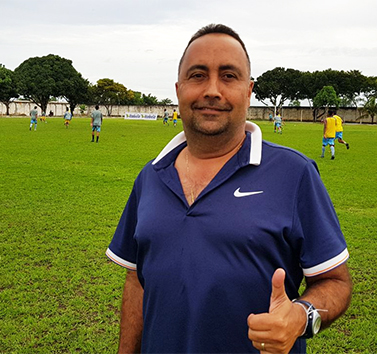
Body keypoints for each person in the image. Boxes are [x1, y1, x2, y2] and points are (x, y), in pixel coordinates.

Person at [106, 24, 352, 354]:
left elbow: (336, 283)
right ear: (178, 89)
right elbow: (137, 280)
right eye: (197, 75)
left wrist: (301, 316)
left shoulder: (294, 173)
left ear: (248, 90)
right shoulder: (150, 177)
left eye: (228, 76)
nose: (212, 90)